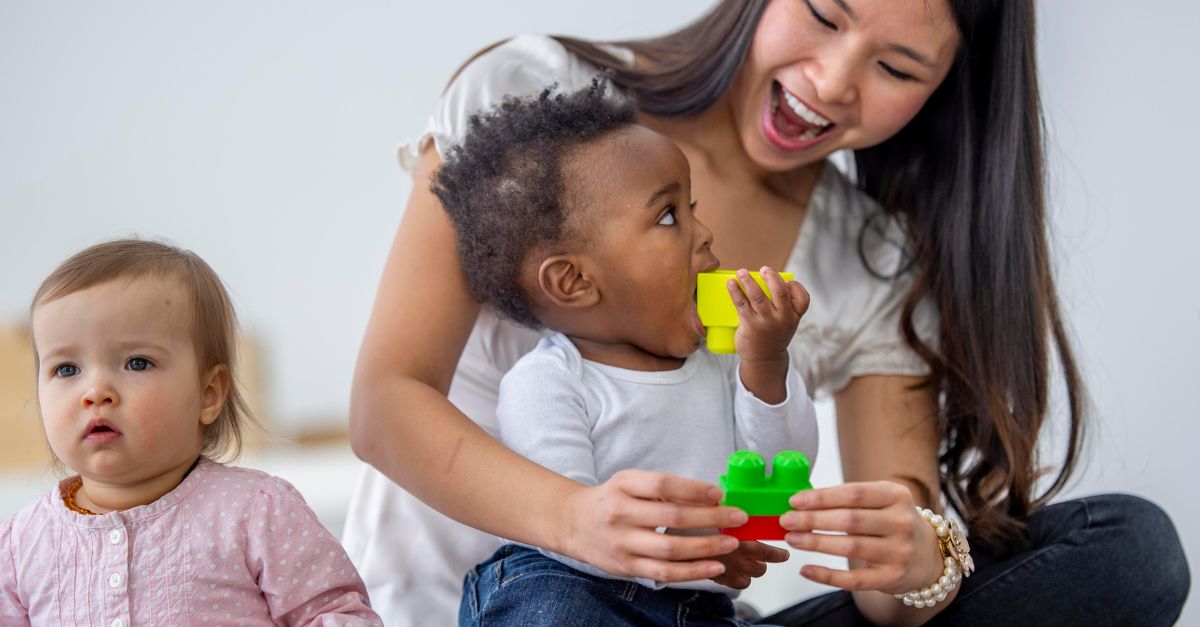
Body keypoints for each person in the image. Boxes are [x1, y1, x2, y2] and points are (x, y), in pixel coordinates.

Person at [344, 1, 1191, 625]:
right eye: (824, 13)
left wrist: (917, 555)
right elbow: (387, 401)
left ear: (941, 92)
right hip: (515, 605)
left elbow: (884, 592)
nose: (832, 82)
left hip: (703, 616)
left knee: (1131, 547)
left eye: (897, 69)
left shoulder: (871, 263)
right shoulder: (535, 102)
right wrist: (574, 520)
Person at [432, 81, 819, 624]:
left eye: (693, 209)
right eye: (668, 216)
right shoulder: (548, 382)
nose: (705, 235)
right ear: (573, 281)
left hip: (696, 606)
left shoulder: (725, 362)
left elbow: (786, 472)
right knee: (555, 607)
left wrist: (767, 363)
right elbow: (574, 530)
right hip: (574, 588)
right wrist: (696, 551)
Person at [0, 239, 384, 626]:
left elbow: (337, 616)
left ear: (208, 394)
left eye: (137, 363)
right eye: (66, 369)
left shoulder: (255, 511)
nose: (95, 392)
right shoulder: (22, 544)